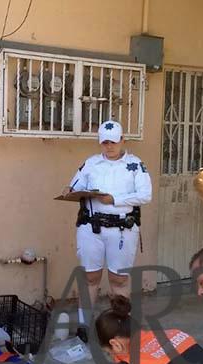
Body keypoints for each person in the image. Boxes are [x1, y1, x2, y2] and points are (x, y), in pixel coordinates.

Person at [65, 120, 152, 342]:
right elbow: (74, 187)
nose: (109, 146)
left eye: (113, 142)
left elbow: (145, 195)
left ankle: (120, 327)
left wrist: (115, 199)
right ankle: (84, 327)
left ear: (122, 140)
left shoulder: (135, 165)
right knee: (90, 277)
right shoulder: (91, 164)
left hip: (122, 229)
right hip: (91, 227)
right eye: (105, 142)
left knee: (119, 280)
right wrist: (71, 191)